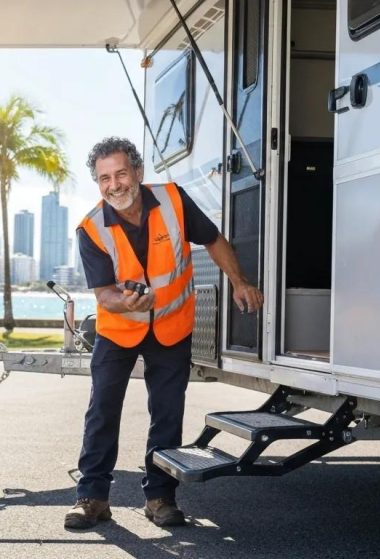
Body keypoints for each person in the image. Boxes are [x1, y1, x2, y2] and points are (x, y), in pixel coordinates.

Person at [64, 137, 263, 530]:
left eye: (121, 173)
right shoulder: (91, 229)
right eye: (104, 178)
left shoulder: (173, 199)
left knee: (167, 415)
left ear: (138, 172)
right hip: (119, 330)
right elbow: (104, 293)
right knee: (102, 411)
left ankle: (159, 498)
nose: (114, 184)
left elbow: (213, 239)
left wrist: (239, 282)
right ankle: (92, 498)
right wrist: (127, 303)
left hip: (171, 326)